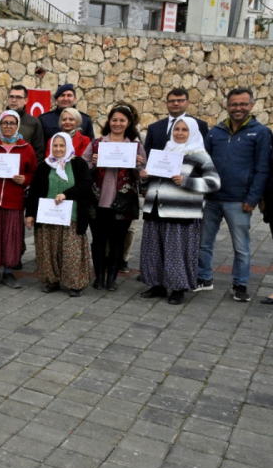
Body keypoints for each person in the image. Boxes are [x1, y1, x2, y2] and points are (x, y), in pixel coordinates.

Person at [198, 88, 271, 302]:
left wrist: (252, 198)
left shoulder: (261, 132)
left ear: (251, 106)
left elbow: (263, 168)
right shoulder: (215, 132)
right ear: (227, 106)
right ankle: (203, 277)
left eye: (243, 104)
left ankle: (240, 283)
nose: (238, 108)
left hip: (239, 200)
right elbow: (203, 161)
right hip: (211, 197)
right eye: (234, 104)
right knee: (204, 242)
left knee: (241, 246)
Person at [138, 118, 220, 305]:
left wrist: (187, 181)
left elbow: (214, 183)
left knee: (176, 252)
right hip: (156, 209)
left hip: (181, 212)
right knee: (154, 250)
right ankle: (157, 285)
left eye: (184, 130)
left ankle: (178, 288)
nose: (180, 133)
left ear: (192, 132)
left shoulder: (200, 155)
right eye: (177, 129)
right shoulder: (164, 152)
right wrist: (144, 177)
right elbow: (151, 182)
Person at [82, 104, 147, 292]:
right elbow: (82, 170)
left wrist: (138, 166)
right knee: (99, 241)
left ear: (128, 123)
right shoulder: (96, 144)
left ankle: (112, 278)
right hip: (97, 201)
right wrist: (92, 164)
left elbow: (142, 175)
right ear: (109, 122)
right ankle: (99, 277)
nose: (117, 123)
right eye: (114, 120)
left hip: (123, 202)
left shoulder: (135, 146)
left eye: (122, 120)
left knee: (118, 241)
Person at [25, 133, 94, 297]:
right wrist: (30, 214)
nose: (58, 149)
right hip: (47, 217)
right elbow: (34, 192)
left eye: (62, 146)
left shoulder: (78, 164)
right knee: (48, 251)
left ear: (68, 146)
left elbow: (86, 186)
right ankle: (52, 281)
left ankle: (74, 283)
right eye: (55, 146)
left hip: (72, 217)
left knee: (71, 252)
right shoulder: (44, 166)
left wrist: (66, 194)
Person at [0, 110, 38, 288]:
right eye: (5, 123)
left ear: (17, 125)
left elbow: (34, 172)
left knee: (11, 236)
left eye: (12, 123)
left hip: (14, 200)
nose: (8, 126)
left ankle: (10, 272)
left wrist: (25, 179)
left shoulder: (26, 148)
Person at [143, 88, 210, 156]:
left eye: (180, 100)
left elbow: (206, 151)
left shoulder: (199, 125)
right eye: (172, 101)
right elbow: (147, 154)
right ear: (166, 104)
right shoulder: (154, 128)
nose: (175, 103)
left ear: (188, 103)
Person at [0, 85, 45, 158]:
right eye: (11, 97)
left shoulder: (34, 123)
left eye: (18, 97)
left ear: (26, 100)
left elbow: (39, 151)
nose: (14, 100)